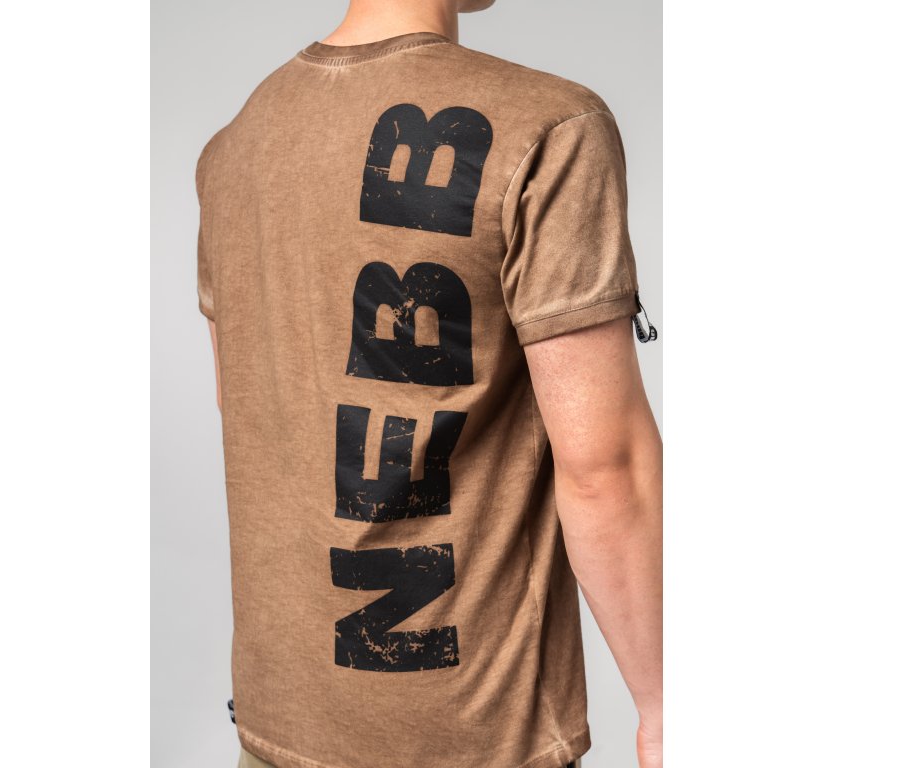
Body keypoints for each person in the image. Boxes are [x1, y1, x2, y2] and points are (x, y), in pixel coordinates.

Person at [195, 1, 662, 766]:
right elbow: (605, 468)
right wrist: (664, 705)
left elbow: (246, 409)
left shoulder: (233, 149)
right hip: (469, 735)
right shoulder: (547, 127)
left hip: (279, 724)